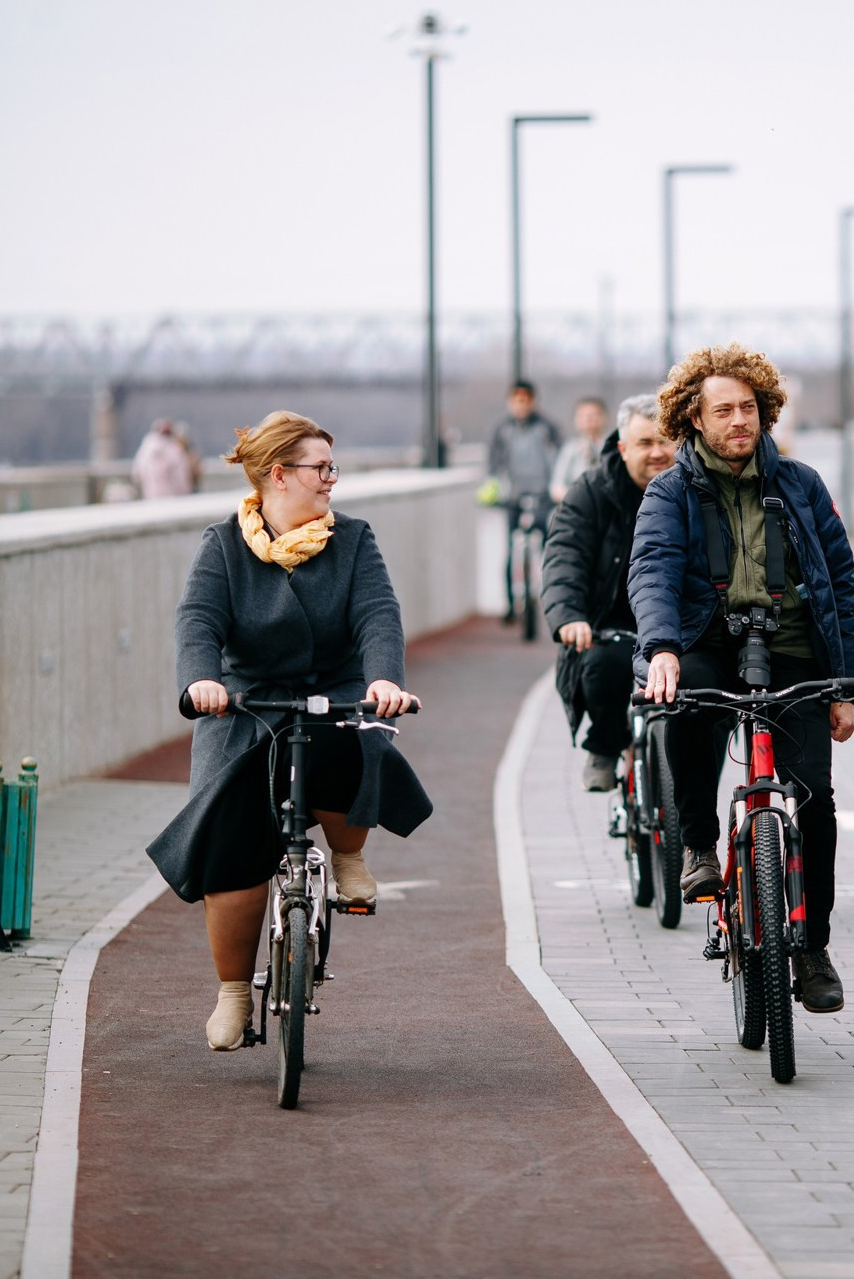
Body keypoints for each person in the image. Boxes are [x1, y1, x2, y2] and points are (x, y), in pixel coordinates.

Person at [148, 411, 430, 1052]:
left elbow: (378, 615)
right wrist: (200, 683)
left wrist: (383, 679)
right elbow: (198, 622)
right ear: (279, 475)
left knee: (351, 740)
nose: (331, 480)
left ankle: (348, 852)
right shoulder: (223, 545)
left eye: (333, 468)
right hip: (244, 707)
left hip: (335, 693)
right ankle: (232, 993)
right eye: (320, 468)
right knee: (232, 844)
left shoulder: (353, 540)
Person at [630, 343, 854, 1014]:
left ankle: (813, 947)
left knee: (813, 798)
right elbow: (651, 573)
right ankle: (699, 845)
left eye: (750, 408)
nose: (740, 419)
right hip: (704, 641)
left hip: (791, 649)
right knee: (678, 710)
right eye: (724, 410)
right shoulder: (671, 491)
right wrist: (663, 650)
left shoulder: (801, 484)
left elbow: (838, 582)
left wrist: (843, 685)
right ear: (694, 421)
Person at [541, 393, 677, 791]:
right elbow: (564, 554)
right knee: (602, 666)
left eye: (664, 441)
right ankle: (603, 747)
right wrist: (568, 616)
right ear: (622, 447)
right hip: (610, 619)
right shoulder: (591, 491)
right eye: (644, 443)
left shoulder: (694, 489)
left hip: (676, 620)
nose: (657, 453)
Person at [487, 380, 564, 623]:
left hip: (543, 497)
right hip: (513, 497)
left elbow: (560, 457)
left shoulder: (547, 427)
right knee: (511, 549)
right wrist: (494, 489)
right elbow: (492, 464)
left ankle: (548, 601)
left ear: (533, 401)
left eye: (525, 400)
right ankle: (511, 604)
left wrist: (558, 487)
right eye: (516, 401)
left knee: (546, 550)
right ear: (510, 402)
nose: (521, 405)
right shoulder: (502, 429)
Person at [549, 396, 609, 503]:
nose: (588, 419)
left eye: (593, 415)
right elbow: (556, 487)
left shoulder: (612, 447)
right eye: (583, 416)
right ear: (576, 420)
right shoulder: (570, 448)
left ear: (603, 417)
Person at [132, 418, 196, 498]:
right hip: (171, 498)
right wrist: (186, 492)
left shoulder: (145, 450)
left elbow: (137, 474)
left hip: (151, 496)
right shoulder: (174, 450)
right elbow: (181, 477)